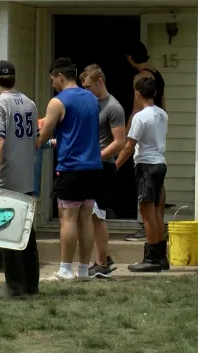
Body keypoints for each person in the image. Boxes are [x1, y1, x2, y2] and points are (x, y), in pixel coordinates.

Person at [37, 57, 103, 282]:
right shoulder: (92, 99)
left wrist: (36, 136)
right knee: (86, 218)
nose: (52, 84)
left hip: (71, 167)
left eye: (52, 80)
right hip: (93, 166)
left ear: (60, 76)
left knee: (67, 218)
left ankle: (65, 269)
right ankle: (83, 270)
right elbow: (77, 133)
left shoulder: (57, 102)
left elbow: (44, 135)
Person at [0, 60, 40, 298]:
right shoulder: (30, 103)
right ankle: (31, 286)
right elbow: (35, 138)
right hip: (26, 177)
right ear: (14, 78)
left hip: (7, 178)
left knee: (6, 231)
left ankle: (13, 286)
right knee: (27, 232)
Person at [116, 77, 169, 272]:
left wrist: (114, 166)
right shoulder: (162, 114)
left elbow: (129, 146)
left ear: (137, 93)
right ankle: (161, 257)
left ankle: (151, 259)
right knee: (156, 212)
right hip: (160, 165)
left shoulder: (140, 117)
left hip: (146, 166)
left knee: (147, 214)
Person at [79, 64, 126, 278]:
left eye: (89, 86)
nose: (86, 91)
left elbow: (119, 142)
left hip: (102, 166)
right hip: (89, 165)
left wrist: (96, 157)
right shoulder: (90, 103)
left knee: (98, 215)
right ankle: (104, 259)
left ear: (100, 82)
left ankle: (102, 263)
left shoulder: (113, 107)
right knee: (91, 214)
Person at [124, 41, 168, 242]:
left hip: (144, 138)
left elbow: (136, 110)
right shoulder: (157, 74)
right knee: (158, 193)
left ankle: (148, 233)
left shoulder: (140, 78)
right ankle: (158, 239)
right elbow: (163, 104)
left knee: (147, 198)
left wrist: (126, 133)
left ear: (130, 58)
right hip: (158, 134)